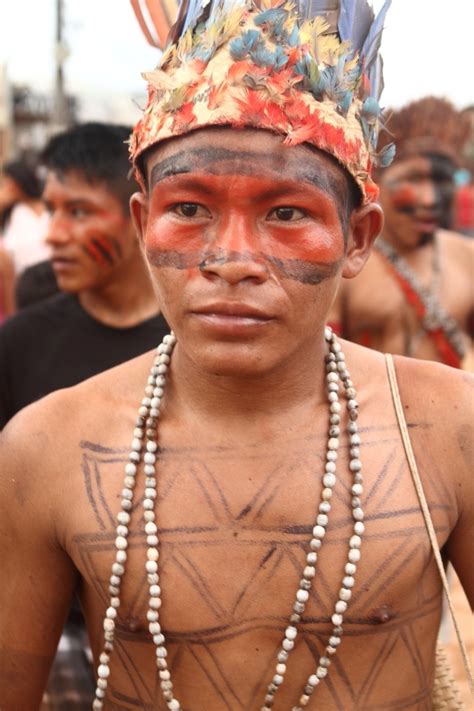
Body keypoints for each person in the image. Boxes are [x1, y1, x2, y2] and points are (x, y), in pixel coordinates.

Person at [1, 2, 472, 710]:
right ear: (142, 222)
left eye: (287, 213)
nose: (231, 260)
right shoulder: (47, 447)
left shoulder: (445, 427)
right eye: (189, 208)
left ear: (357, 238)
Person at [0, 122, 169, 429]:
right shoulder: (19, 344)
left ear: (139, 219)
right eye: (52, 211)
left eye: (79, 212)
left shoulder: (187, 342)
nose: (53, 235)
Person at [328, 97, 474, 367]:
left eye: (441, 181)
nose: (430, 199)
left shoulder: (468, 257)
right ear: (379, 182)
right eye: (413, 179)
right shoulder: (342, 264)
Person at [0, 158, 50, 274]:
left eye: (7, 181)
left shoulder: (49, 208)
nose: (5, 187)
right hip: (21, 281)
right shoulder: (13, 212)